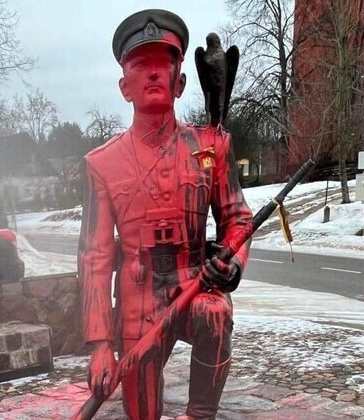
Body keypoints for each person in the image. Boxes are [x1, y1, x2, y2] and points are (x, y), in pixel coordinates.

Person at [78, 9, 253, 420]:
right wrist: (101, 345)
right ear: (125, 86)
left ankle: (200, 415)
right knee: (142, 412)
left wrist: (230, 263)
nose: (154, 73)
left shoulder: (211, 147)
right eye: (141, 65)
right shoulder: (101, 164)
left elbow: (238, 219)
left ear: (180, 82)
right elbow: (95, 257)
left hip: (195, 285)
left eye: (164, 64)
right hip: (138, 302)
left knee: (215, 312)